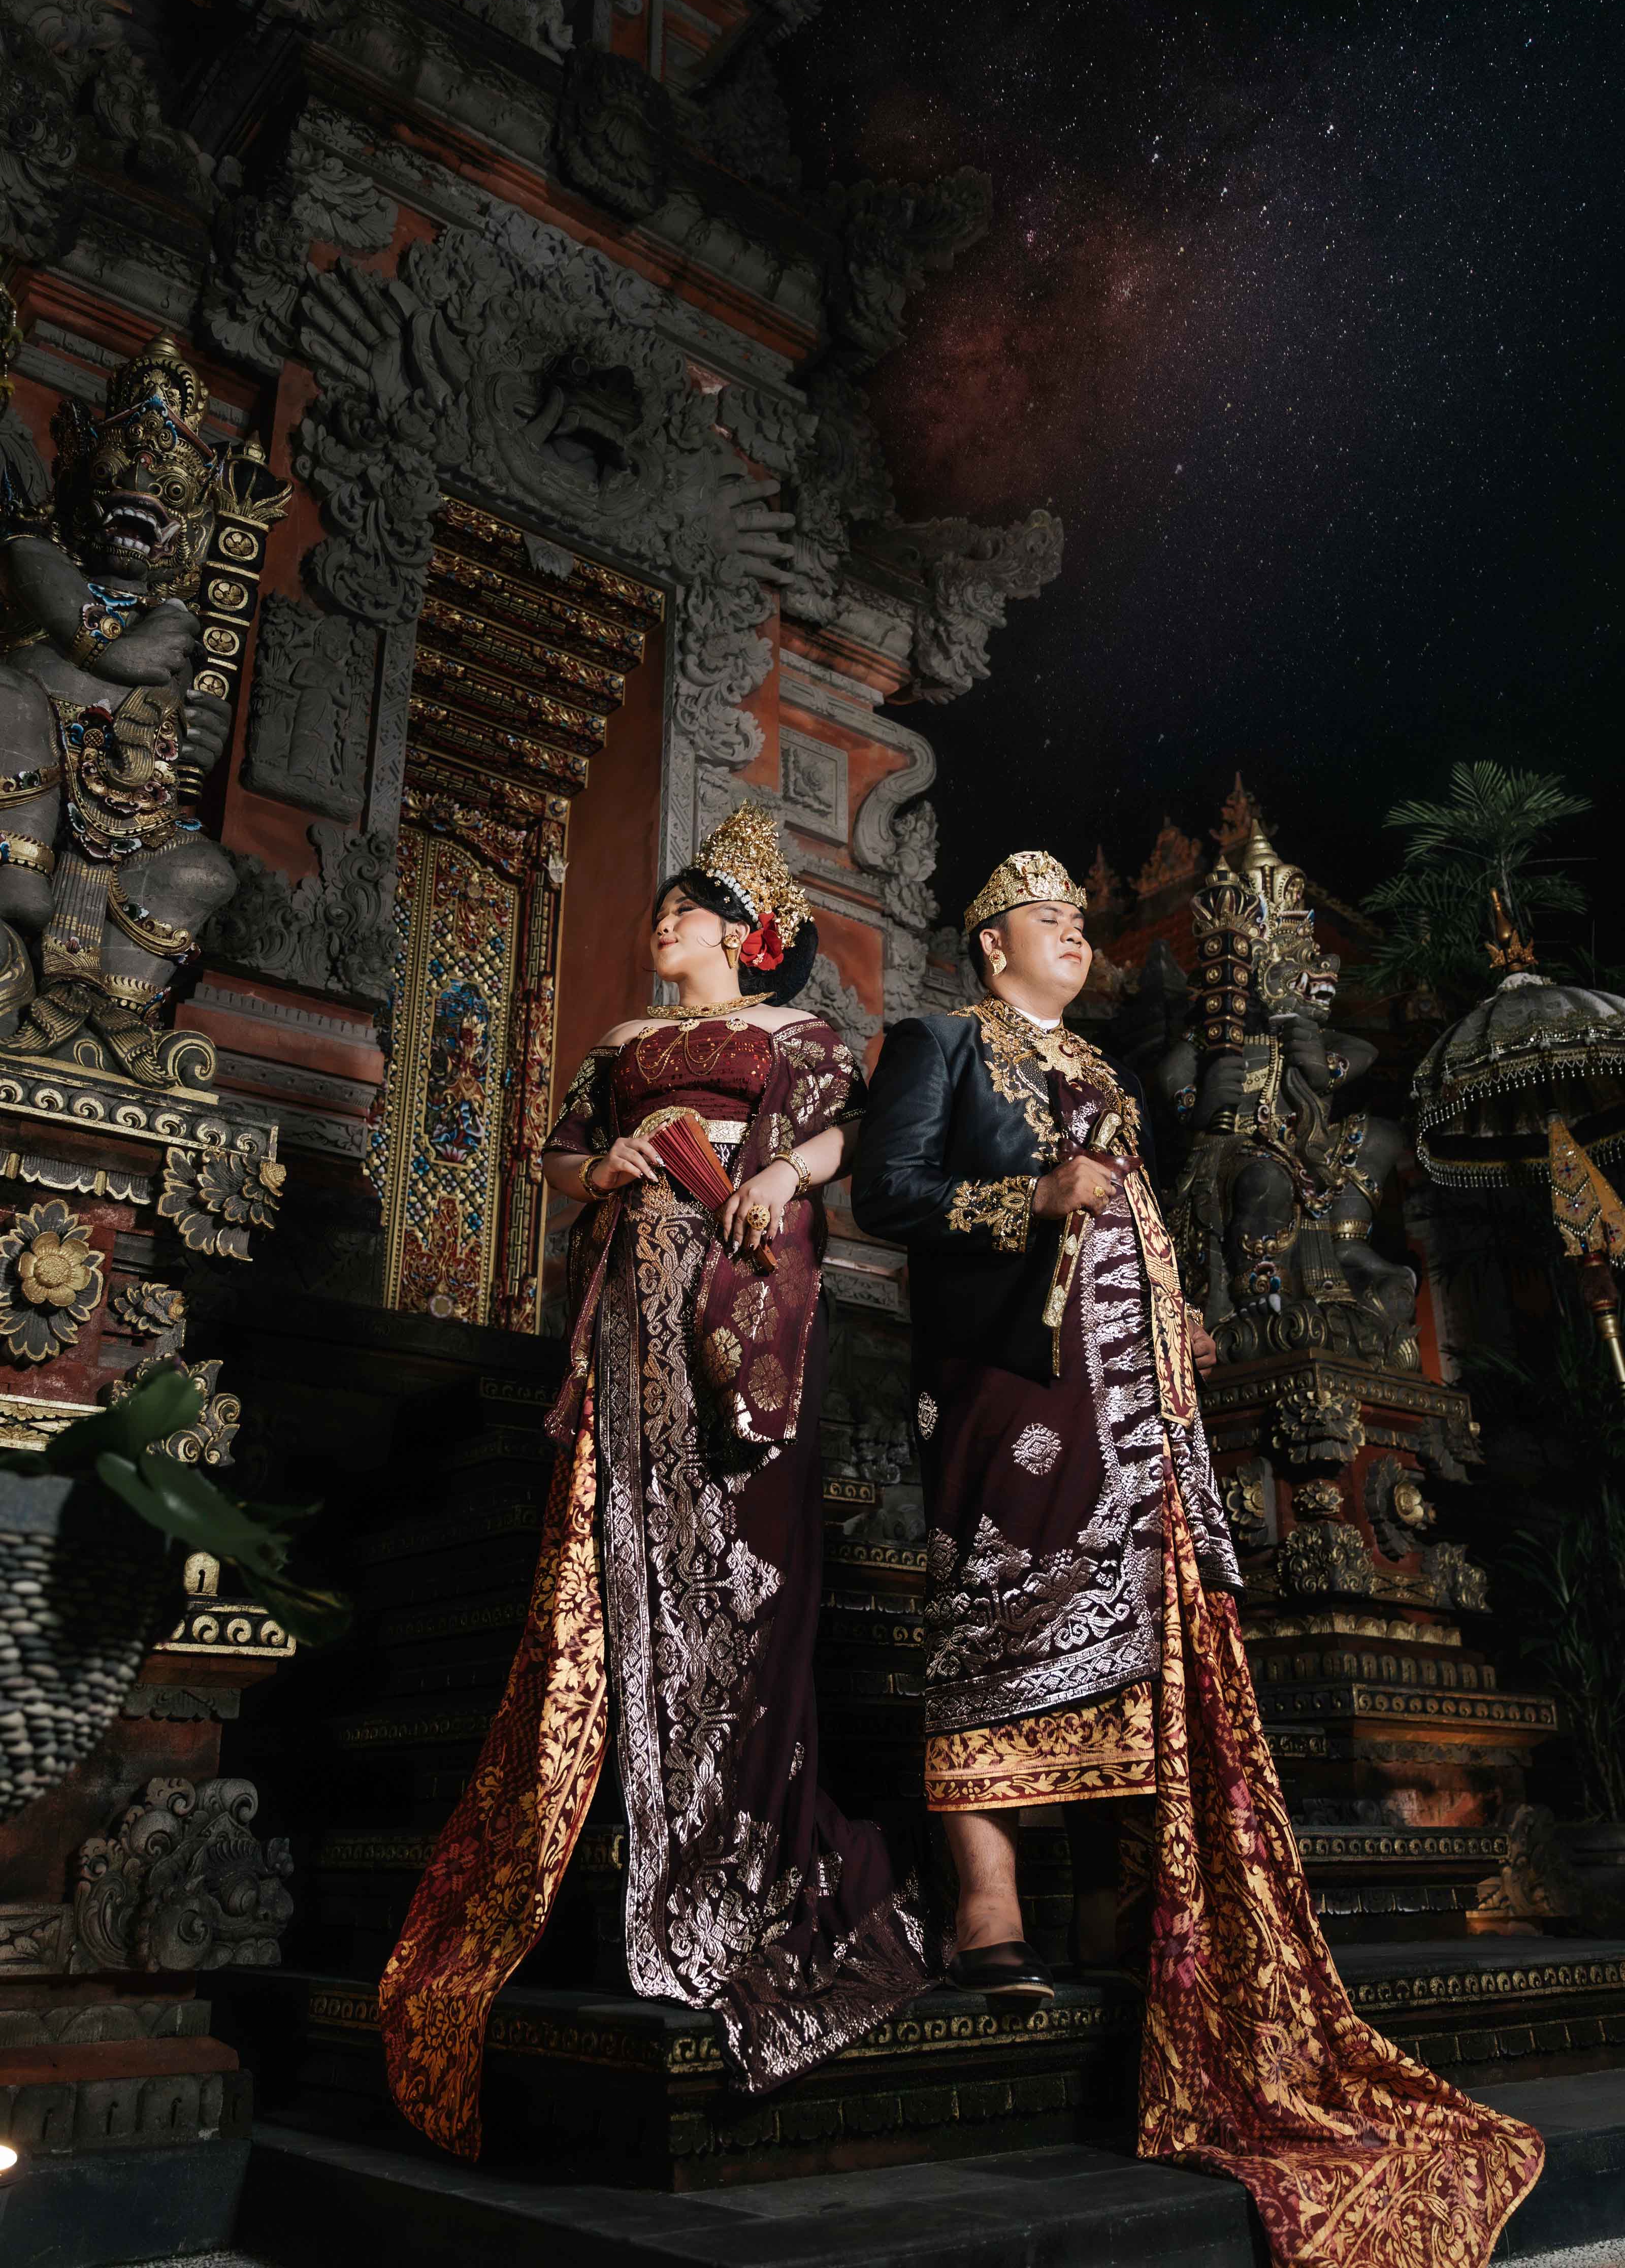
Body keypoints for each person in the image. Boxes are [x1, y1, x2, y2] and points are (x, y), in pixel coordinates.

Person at [853, 849, 1542, 2268]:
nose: (1073, 935)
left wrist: (1174, 1303)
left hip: (1136, 1394)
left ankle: (1127, 1910)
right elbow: (889, 1192)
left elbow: (1142, 1212)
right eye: (1049, 920)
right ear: (990, 946)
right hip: (1013, 1379)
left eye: (1076, 919)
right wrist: (1028, 1200)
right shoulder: (937, 1044)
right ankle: (987, 1905)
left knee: (1141, 1633)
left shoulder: (1106, 1069)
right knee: (1003, 1611)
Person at [380, 804, 929, 2159]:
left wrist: (781, 1169)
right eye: (662, 911)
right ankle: (633, 1819)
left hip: (750, 1289)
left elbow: (843, 1140)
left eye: (687, 911)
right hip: (636, 1293)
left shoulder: (797, 1038)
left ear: (745, 935)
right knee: (633, 1543)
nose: (662, 924)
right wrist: (607, 1163)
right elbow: (557, 1155)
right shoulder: (622, 1045)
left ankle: (741, 1839)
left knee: (748, 1564)